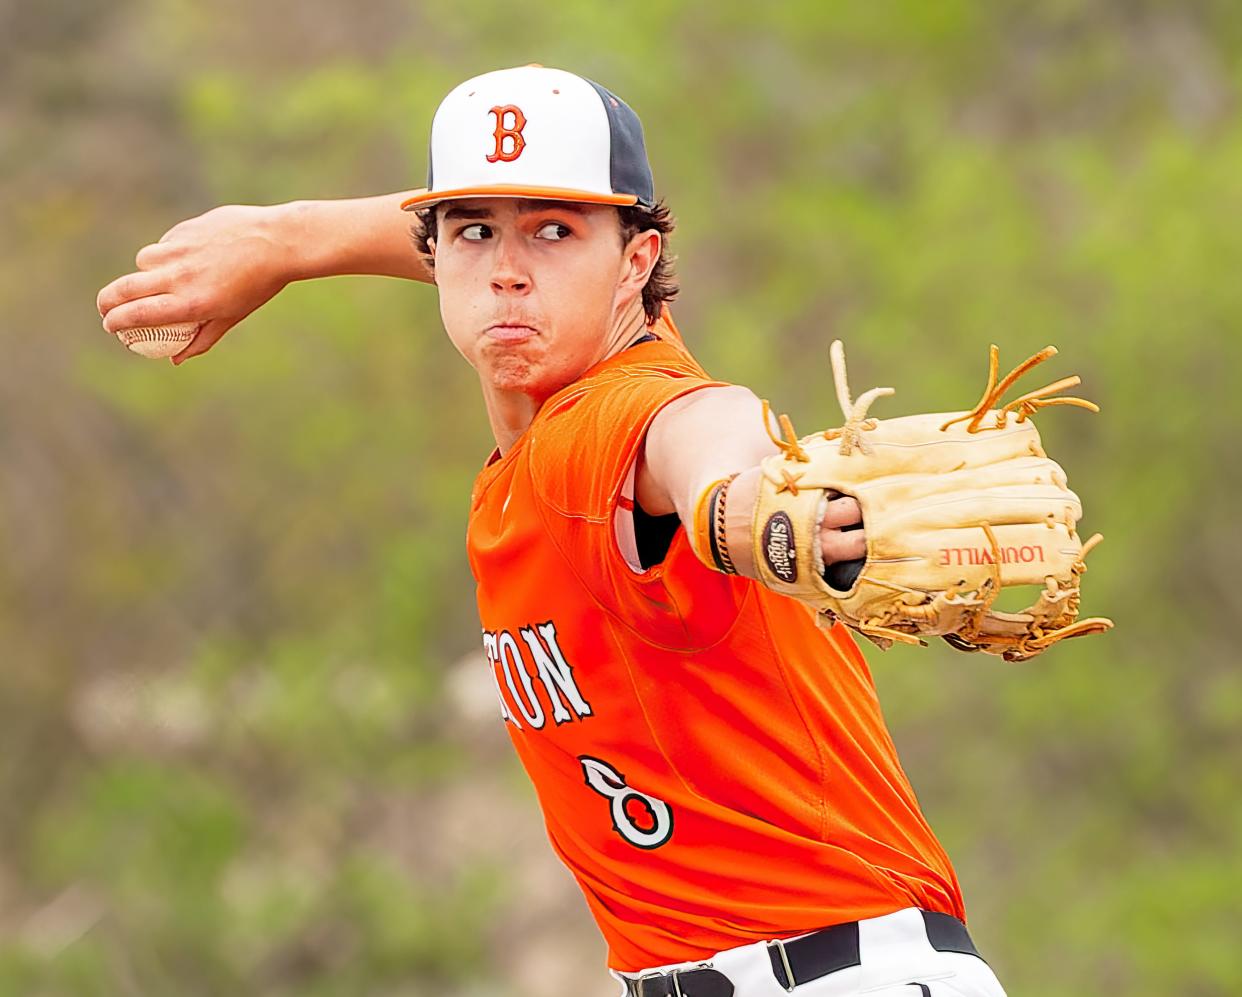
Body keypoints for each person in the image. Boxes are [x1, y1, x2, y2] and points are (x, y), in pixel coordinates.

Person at [98, 65, 1009, 997]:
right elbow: (507, 257)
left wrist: (751, 506)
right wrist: (283, 238)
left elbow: (699, 434)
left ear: (638, 260)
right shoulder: (548, 401)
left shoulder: (604, 421)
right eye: (474, 231)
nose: (506, 268)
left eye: (555, 230)